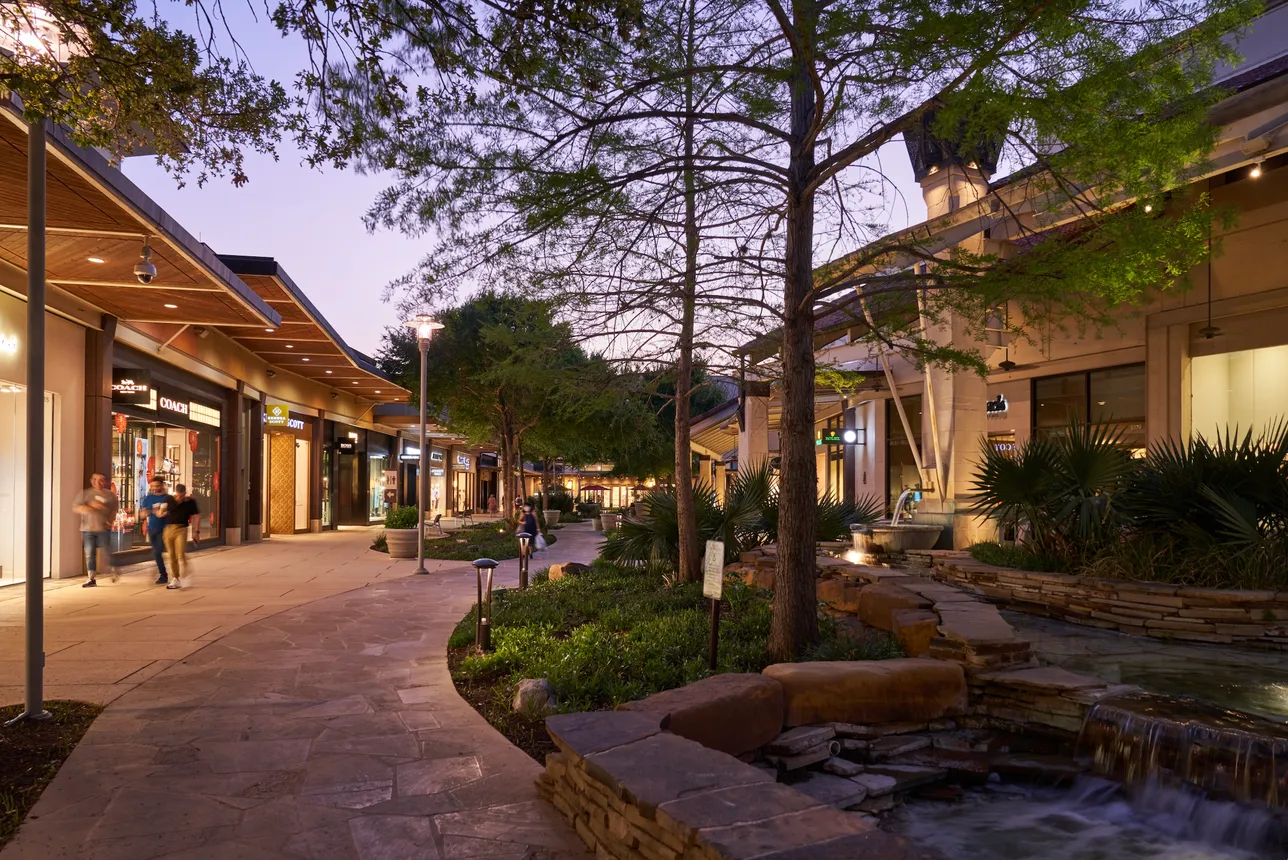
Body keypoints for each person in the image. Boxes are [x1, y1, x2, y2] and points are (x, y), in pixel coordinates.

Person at [73, 473, 119, 587]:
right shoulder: (86, 494)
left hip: (103, 527)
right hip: (87, 528)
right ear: (91, 481)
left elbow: (114, 510)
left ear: (105, 482)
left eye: (101, 480)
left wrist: (110, 522)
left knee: (107, 552)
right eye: (95, 480)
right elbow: (76, 508)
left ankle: (113, 570)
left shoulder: (110, 495)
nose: (98, 482)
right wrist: (91, 506)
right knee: (90, 554)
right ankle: (91, 578)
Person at [163, 484, 201, 590]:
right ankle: (176, 578)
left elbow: (196, 516)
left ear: (185, 493)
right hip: (168, 529)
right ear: (175, 492)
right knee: (171, 555)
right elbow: (161, 512)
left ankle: (186, 574)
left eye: (181, 496)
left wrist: (196, 532)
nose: (179, 498)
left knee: (180, 554)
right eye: (178, 495)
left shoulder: (190, 502)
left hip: (181, 529)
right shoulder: (170, 500)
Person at [138, 478, 173, 584]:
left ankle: (163, 574)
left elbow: (173, 512)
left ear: (162, 485)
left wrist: (165, 513)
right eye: (153, 486)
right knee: (156, 552)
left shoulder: (168, 498)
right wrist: (145, 513)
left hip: (165, 528)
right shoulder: (148, 498)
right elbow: (142, 513)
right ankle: (162, 572)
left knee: (157, 551)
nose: (155, 488)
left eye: (157, 486)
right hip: (152, 528)